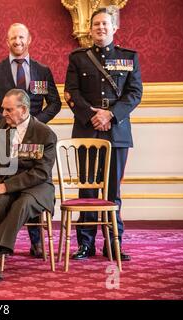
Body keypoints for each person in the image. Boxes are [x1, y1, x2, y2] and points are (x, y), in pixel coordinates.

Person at [64, 7, 143, 261]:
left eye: (105, 24)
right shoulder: (78, 58)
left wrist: (110, 115)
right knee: (87, 190)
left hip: (117, 132)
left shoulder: (128, 57)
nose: (100, 28)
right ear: (90, 29)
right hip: (87, 131)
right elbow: (71, 93)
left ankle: (113, 243)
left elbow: (134, 93)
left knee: (112, 192)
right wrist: (92, 116)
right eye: (96, 24)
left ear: (114, 28)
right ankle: (85, 244)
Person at [0, 22, 61, 258]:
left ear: (29, 40)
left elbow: (54, 102)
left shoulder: (42, 70)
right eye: (13, 38)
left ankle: (35, 242)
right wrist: (6, 121)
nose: (18, 42)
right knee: (13, 182)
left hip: (34, 134)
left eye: (22, 38)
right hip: (10, 130)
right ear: (7, 41)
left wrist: (33, 122)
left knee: (28, 184)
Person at [0, 89, 57, 282]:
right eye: (3, 109)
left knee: (22, 204)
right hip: (8, 183)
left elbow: (41, 173)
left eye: (8, 110)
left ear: (24, 109)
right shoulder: (3, 126)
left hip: (37, 188)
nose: (3, 114)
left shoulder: (45, 133)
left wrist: (7, 187)